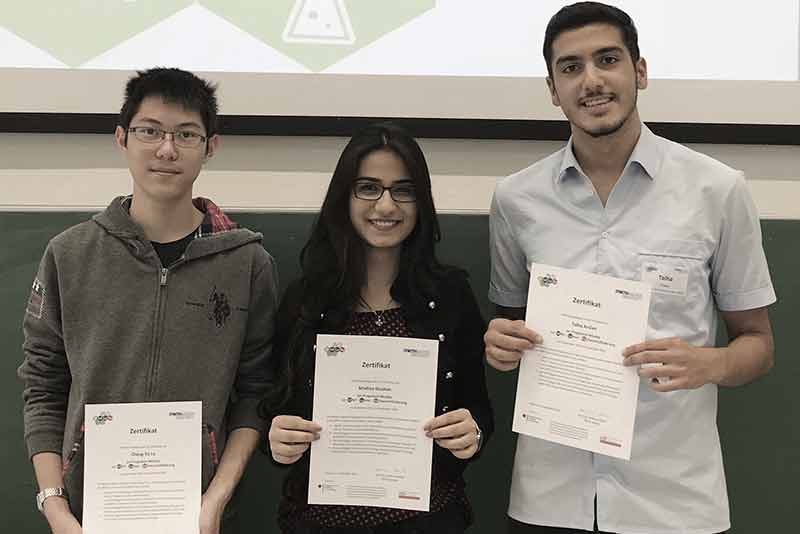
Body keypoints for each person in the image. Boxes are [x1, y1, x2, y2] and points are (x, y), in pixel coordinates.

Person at [485, 3, 775, 533]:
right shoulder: (515, 199)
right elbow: (508, 323)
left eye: (607, 60)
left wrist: (708, 365)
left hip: (672, 501)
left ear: (639, 71)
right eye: (570, 68)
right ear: (552, 89)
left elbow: (757, 344)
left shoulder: (717, 190)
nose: (591, 81)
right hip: (550, 499)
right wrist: (500, 343)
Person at [18, 67, 278, 534]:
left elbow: (256, 392)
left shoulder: (247, 262)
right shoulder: (69, 254)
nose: (166, 149)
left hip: (199, 517)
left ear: (210, 146)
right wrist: (56, 508)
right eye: (149, 131)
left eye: (186, 134)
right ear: (121, 139)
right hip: (85, 518)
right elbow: (43, 387)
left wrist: (215, 500)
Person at [261, 122, 493, 533]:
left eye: (403, 190)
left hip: (427, 520)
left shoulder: (451, 296)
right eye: (368, 188)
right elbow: (271, 409)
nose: (386, 206)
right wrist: (274, 439)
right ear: (344, 198)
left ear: (421, 202)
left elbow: (480, 413)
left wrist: (470, 434)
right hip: (317, 522)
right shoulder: (305, 300)